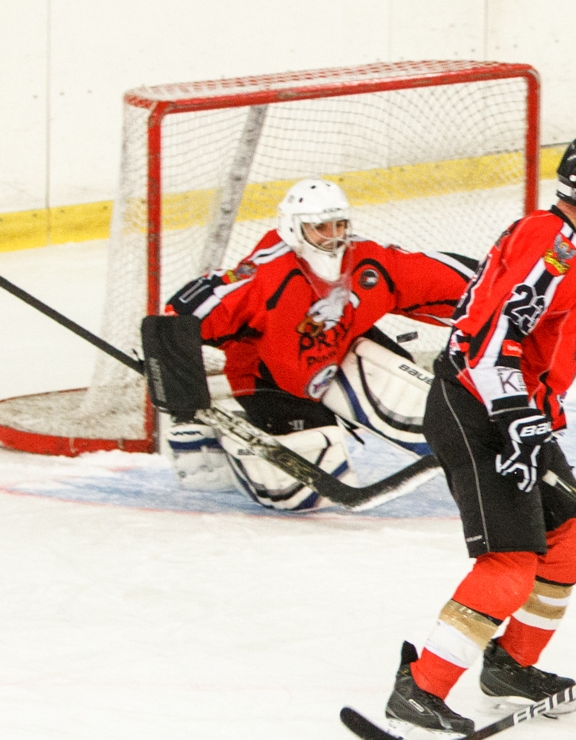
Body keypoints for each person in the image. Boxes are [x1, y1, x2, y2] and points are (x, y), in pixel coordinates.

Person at [385, 134, 576, 734]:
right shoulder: (550, 245)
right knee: (511, 566)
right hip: (477, 412)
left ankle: (509, 667)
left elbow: (532, 336)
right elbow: (489, 340)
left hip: (510, 412)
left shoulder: (563, 247)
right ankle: (421, 688)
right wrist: (512, 421)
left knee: (572, 542)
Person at [152, 177, 476, 510]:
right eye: (321, 227)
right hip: (273, 382)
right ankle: (219, 444)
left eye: (340, 225)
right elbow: (176, 319)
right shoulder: (261, 278)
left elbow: (461, 285)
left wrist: (516, 299)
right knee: (301, 497)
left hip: (339, 356)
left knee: (425, 402)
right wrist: (184, 410)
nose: (334, 237)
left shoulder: (367, 262)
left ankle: (471, 444)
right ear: (294, 229)